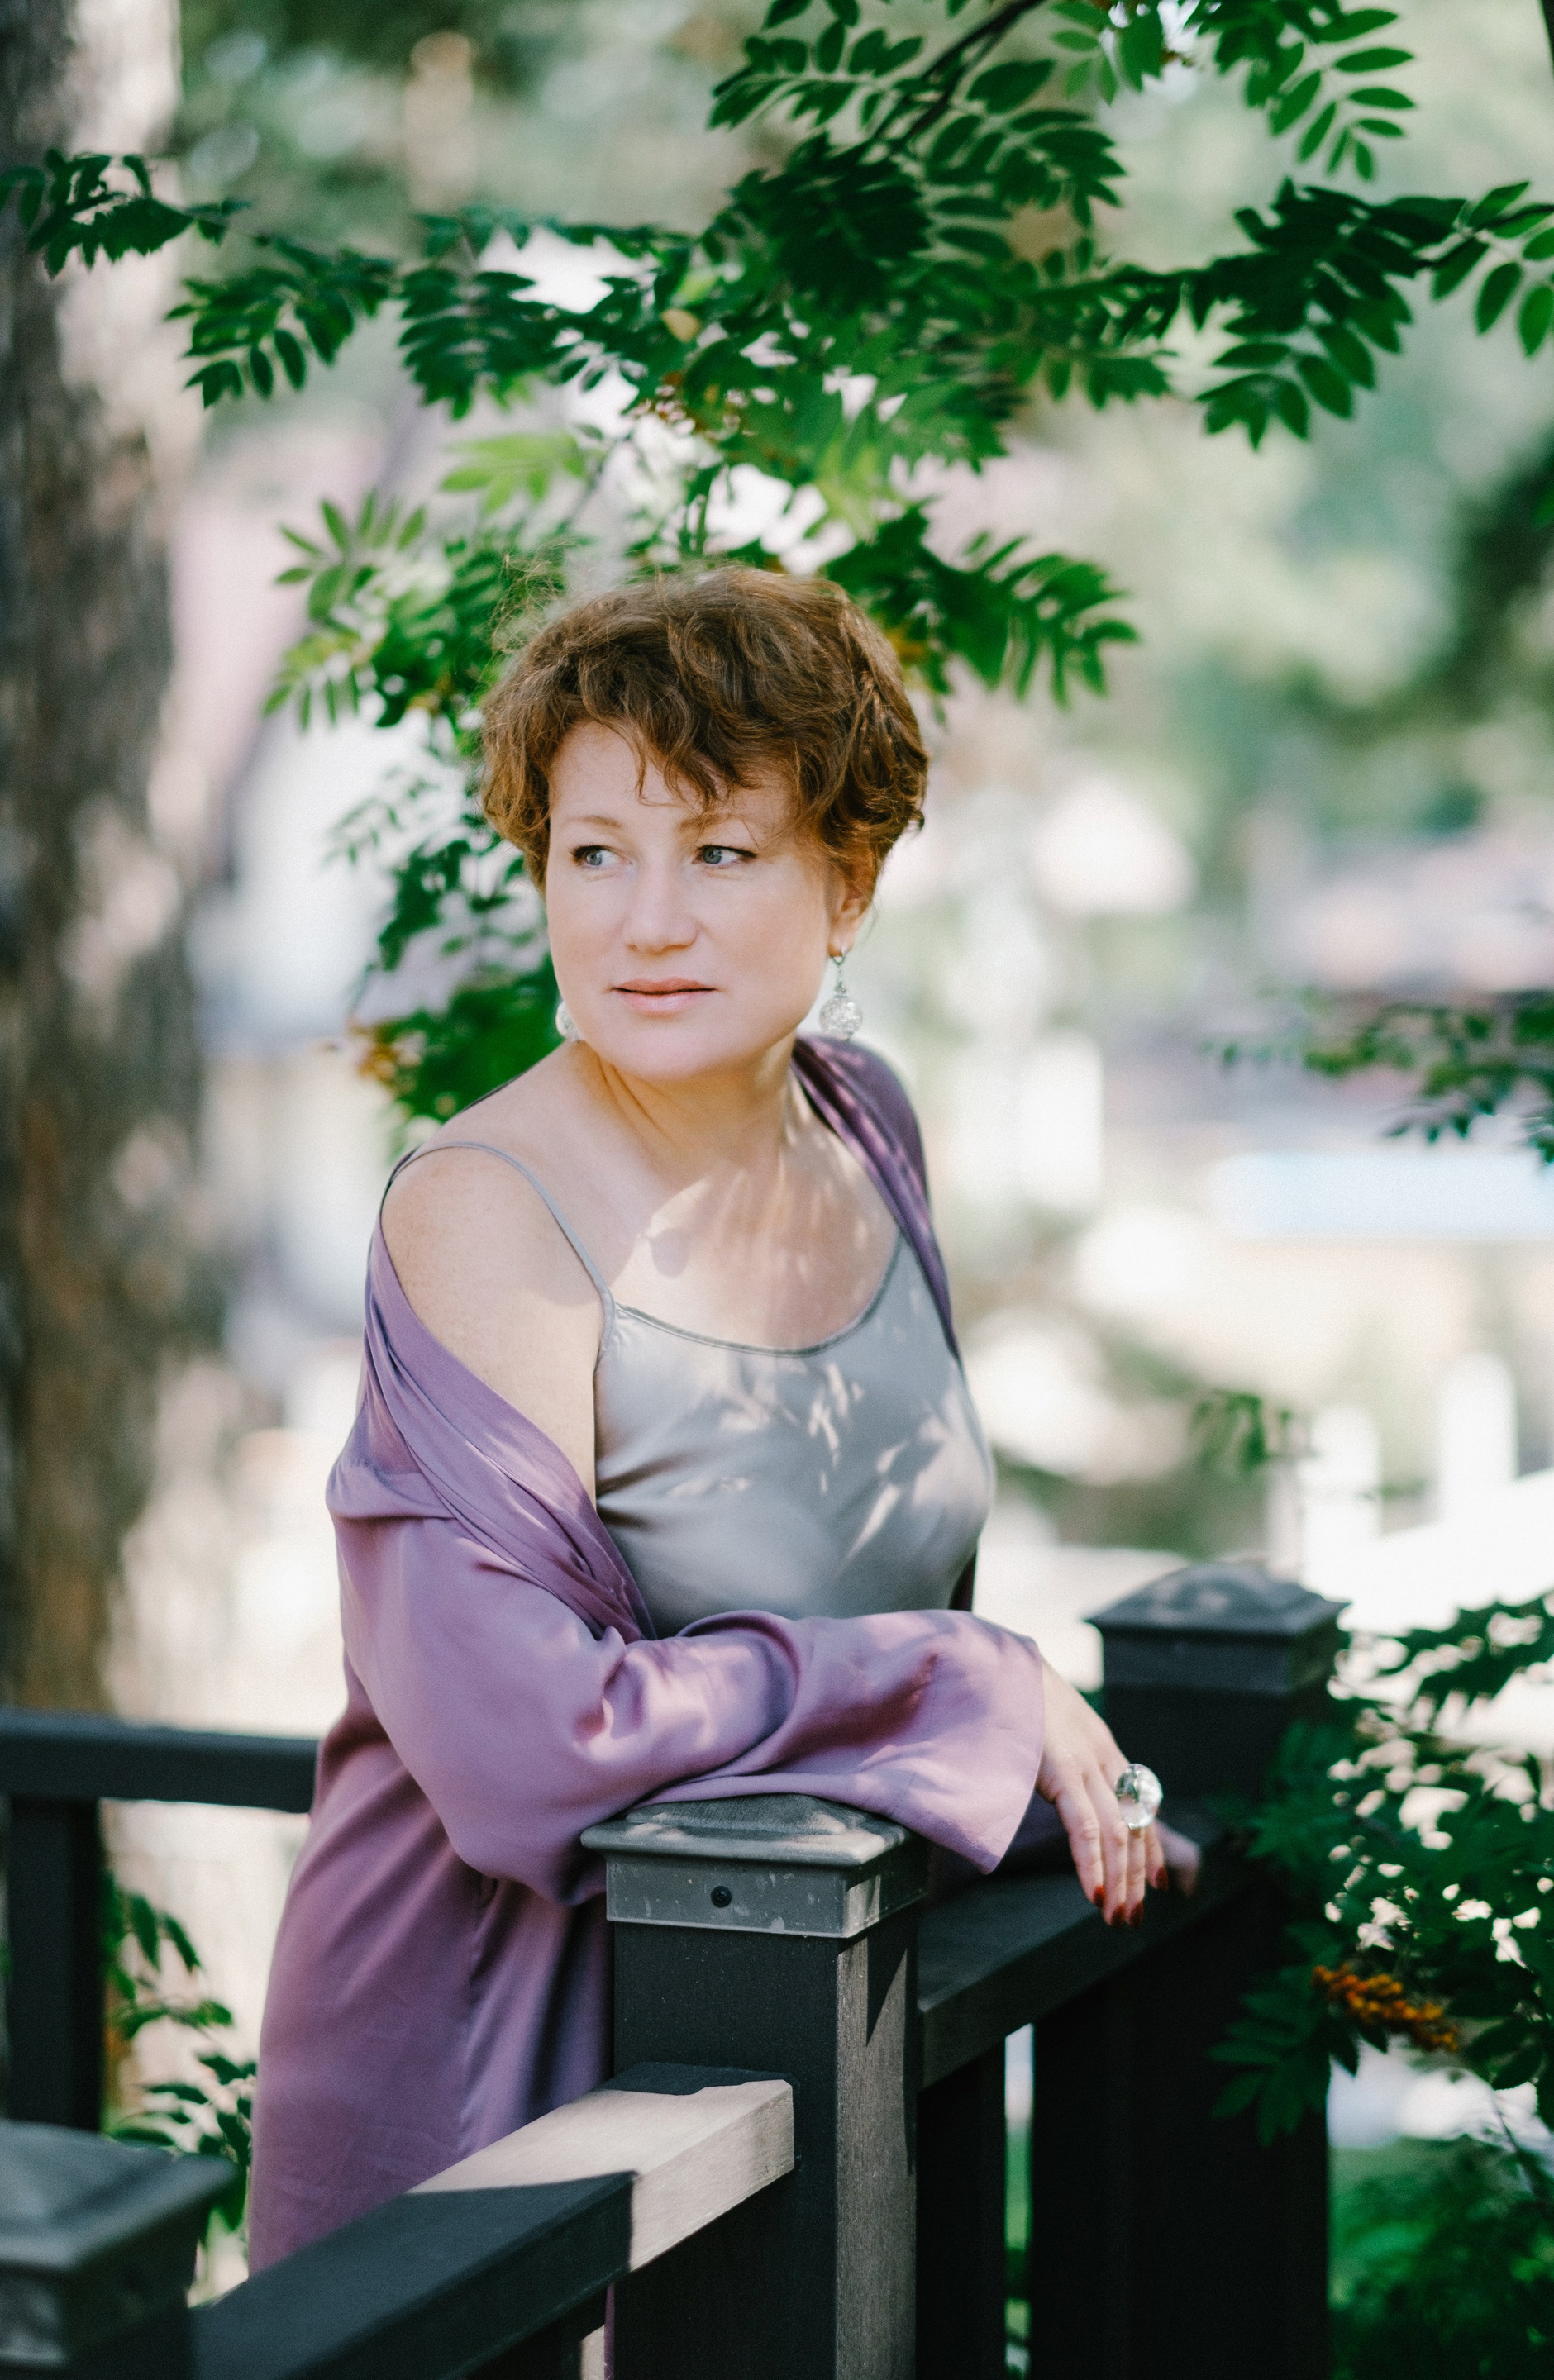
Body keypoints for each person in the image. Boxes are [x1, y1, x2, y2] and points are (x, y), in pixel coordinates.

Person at [248, 569, 1189, 2270]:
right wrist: (967, 1686)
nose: (646, 921)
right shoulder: (487, 1208)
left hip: (808, 2049)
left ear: (852, 882)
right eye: (595, 853)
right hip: (502, 2102)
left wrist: (1043, 1776)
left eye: (723, 851)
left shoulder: (865, 1123)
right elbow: (528, 1753)